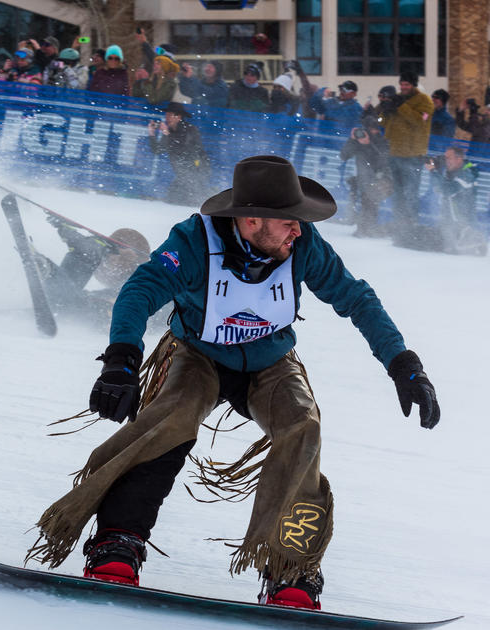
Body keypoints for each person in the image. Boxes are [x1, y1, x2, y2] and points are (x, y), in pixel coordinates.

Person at [29, 156, 439, 611]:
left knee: (302, 425)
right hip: (196, 351)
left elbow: (356, 298)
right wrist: (121, 359)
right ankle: (118, 539)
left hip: (270, 359)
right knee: (173, 416)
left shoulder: (303, 246)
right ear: (250, 220)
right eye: (288, 223)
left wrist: (403, 364)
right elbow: (140, 290)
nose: (298, 231)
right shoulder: (193, 241)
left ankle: (290, 568)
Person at [379, 70, 434, 247]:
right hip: (394, 152)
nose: (403, 88)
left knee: (410, 193)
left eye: (407, 85)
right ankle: (398, 225)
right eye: (401, 84)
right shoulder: (397, 98)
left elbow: (420, 121)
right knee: (397, 193)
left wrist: (402, 106)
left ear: (414, 85)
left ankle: (410, 226)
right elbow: (383, 123)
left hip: (412, 155)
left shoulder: (424, 101)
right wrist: (385, 112)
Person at [422, 146, 488, 256]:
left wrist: (433, 171)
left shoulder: (467, 174)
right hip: (449, 225)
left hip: (461, 225)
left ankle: (474, 238)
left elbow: (447, 190)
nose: (445, 161)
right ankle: (472, 240)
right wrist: (436, 170)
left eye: (448, 158)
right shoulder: (452, 172)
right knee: (418, 238)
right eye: (445, 158)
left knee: (423, 241)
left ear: (459, 159)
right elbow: (438, 189)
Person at [147, 102, 210, 207]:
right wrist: (152, 134)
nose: (167, 118)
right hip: (183, 174)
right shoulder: (169, 131)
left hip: (197, 170)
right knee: (172, 200)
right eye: (167, 115)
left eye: (170, 115)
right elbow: (158, 150)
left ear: (179, 117)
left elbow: (183, 148)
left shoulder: (190, 129)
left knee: (194, 201)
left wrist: (166, 133)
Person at [339, 119, 391, 237]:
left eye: (373, 129)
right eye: (368, 129)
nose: (371, 132)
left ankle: (368, 228)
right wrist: (352, 140)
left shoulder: (382, 142)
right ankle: (364, 227)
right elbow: (344, 155)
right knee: (365, 195)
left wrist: (368, 145)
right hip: (365, 179)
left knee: (370, 196)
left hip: (384, 179)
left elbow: (380, 163)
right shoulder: (358, 142)